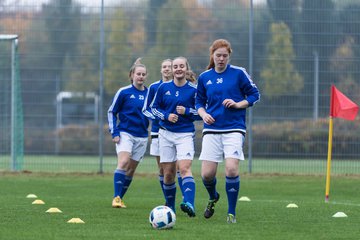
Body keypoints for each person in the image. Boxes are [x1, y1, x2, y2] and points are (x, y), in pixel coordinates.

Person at [195, 39, 260, 223]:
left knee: (231, 169)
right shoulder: (204, 77)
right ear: (212, 56)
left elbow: (255, 95)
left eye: (225, 56)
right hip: (211, 129)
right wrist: (203, 114)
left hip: (234, 128)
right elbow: (198, 101)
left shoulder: (239, 73)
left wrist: (238, 104)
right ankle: (213, 196)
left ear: (229, 56)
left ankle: (231, 213)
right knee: (207, 175)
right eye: (218, 55)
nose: (221, 59)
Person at [150, 56, 200, 217]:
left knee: (184, 169)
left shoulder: (194, 90)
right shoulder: (163, 88)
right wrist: (166, 116)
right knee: (169, 173)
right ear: (171, 70)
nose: (178, 69)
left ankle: (190, 204)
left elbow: (201, 112)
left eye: (181, 66)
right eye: (175, 66)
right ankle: (170, 208)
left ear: (186, 69)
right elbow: (154, 108)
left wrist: (186, 111)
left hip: (185, 134)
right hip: (165, 134)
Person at [108, 58, 149, 208]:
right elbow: (112, 111)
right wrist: (114, 132)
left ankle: (120, 198)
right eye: (138, 73)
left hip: (142, 136)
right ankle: (116, 198)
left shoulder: (150, 93)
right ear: (132, 75)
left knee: (131, 170)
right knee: (124, 162)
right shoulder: (124, 92)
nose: (141, 77)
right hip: (125, 134)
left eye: (143, 74)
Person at [142, 59, 173, 199]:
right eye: (164, 67)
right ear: (161, 70)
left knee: (177, 169)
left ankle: (185, 200)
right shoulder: (154, 87)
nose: (167, 69)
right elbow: (146, 109)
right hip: (157, 132)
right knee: (162, 168)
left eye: (169, 67)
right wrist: (158, 118)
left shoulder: (179, 86)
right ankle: (167, 199)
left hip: (177, 132)